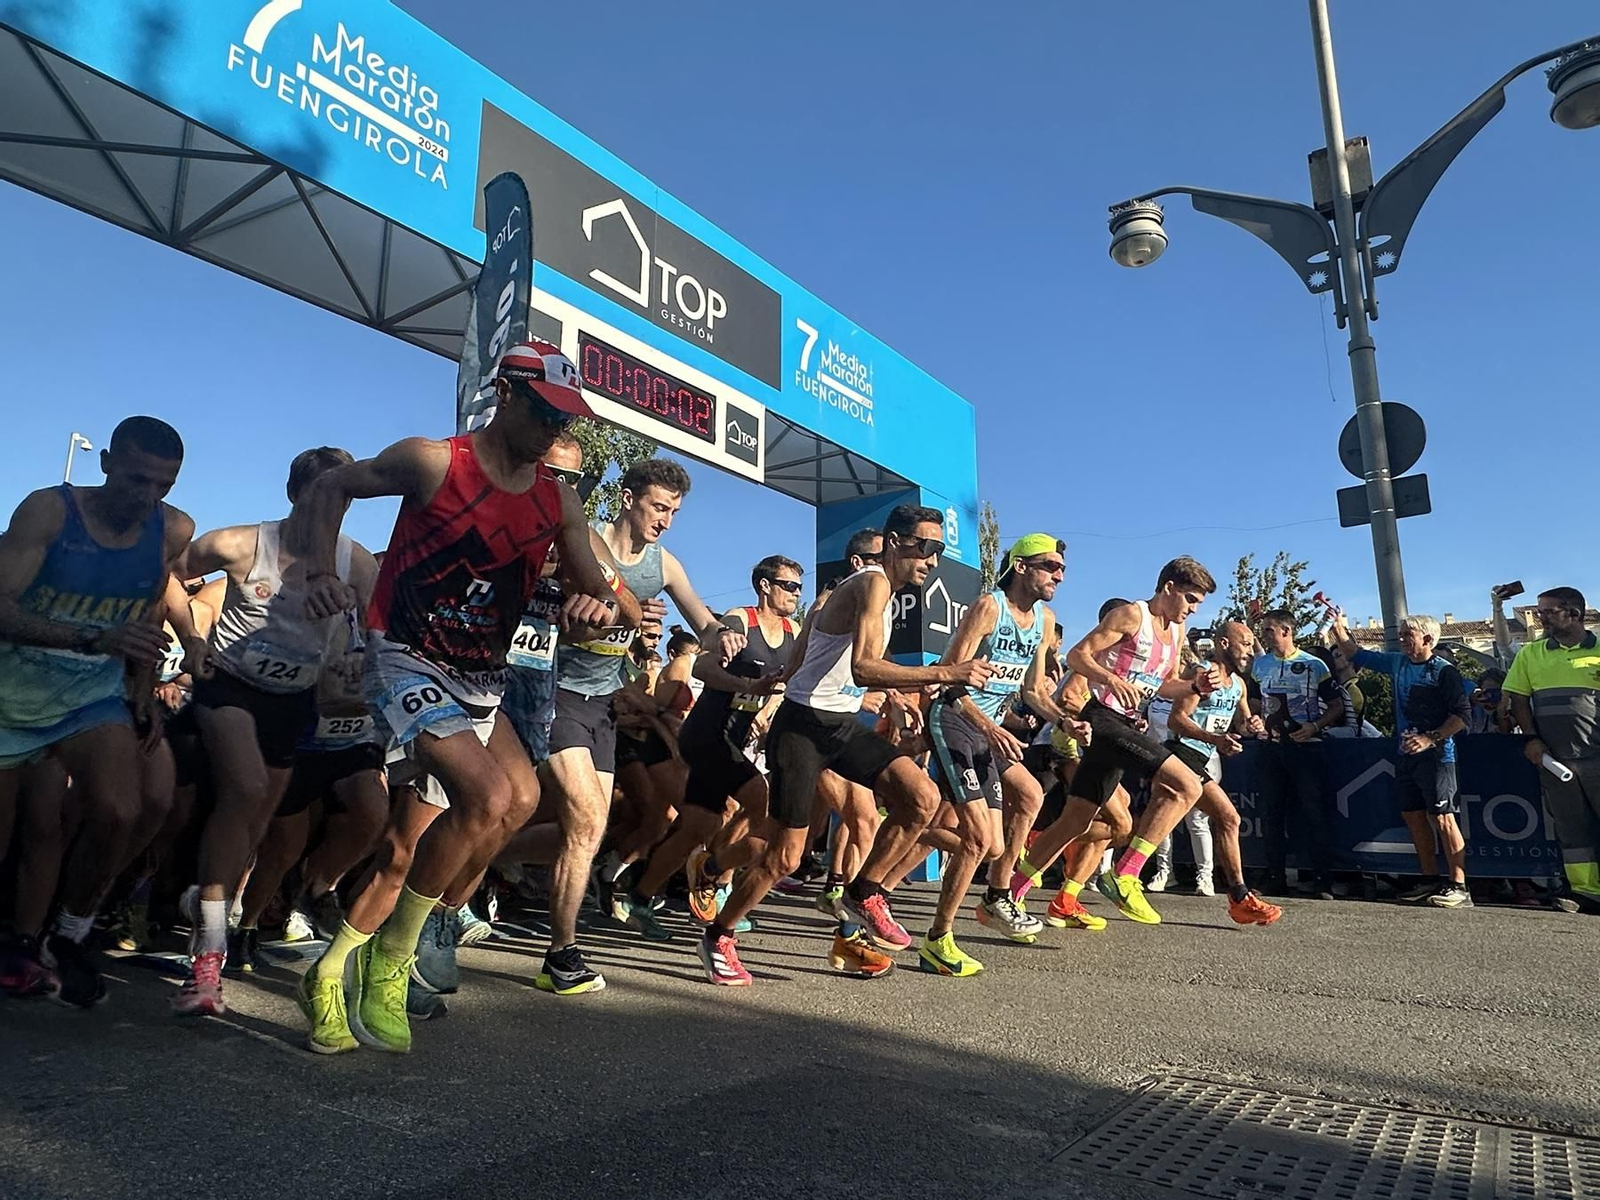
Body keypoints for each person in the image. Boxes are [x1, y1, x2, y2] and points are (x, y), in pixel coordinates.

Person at [294, 340, 632, 1055]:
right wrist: (320, 569)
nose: (553, 433)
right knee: (483, 797)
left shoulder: (555, 497)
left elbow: (590, 586)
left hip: (479, 676)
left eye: (565, 421)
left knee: (520, 800)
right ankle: (391, 961)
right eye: (544, 414)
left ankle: (333, 969)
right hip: (403, 654)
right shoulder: (432, 460)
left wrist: (593, 606)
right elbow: (332, 487)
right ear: (505, 395)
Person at [698, 505, 994, 985]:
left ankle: (863, 890)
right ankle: (719, 934)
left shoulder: (854, 595)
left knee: (921, 798)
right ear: (896, 542)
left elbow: (811, 650)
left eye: (939, 551)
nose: (933, 560)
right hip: (802, 730)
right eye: (926, 547)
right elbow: (863, 667)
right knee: (785, 857)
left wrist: (789, 676)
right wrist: (948, 672)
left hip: (839, 725)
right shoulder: (874, 582)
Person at [0, 416, 193, 1006]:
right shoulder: (48, 513)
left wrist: (142, 681)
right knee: (26, 832)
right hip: (11, 692)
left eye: (162, 484)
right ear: (105, 462)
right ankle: (20, 941)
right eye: (135, 479)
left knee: (119, 810)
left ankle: (72, 932)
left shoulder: (172, 528)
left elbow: (145, 604)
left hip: (90, 694)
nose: (147, 496)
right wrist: (91, 640)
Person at [540, 458, 741, 993]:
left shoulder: (664, 564)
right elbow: (540, 608)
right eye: (658, 507)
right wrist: (573, 613)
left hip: (604, 706)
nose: (666, 520)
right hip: (556, 693)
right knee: (585, 823)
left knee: (582, 828)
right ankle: (561, 955)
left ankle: (481, 859)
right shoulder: (583, 542)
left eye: (675, 511)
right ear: (628, 499)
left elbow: (704, 618)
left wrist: (727, 636)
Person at [1010, 558, 1218, 927]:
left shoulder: (1176, 633)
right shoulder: (1130, 616)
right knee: (1184, 785)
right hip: (1100, 718)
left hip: (1127, 724)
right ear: (1168, 587)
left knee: (1074, 821)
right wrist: (1111, 679)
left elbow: (1163, 686)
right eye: (1190, 598)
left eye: (1198, 603)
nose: (1193, 609)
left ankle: (1010, 894)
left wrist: (1195, 686)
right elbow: (1077, 655)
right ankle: (1126, 876)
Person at [622, 556, 800, 942]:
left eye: (799, 588)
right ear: (765, 586)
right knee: (760, 800)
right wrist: (746, 687)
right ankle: (714, 874)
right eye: (788, 586)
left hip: (734, 739)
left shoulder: (792, 631)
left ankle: (639, 897)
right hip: (705, 734)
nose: (795, 595)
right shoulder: (741, 620)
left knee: (697, 827)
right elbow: (701, 669)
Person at [920, 534, 1067, 970]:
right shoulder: (990, 606)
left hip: (990, 729)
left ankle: (997, 896)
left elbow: (1033, 689)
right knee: (979, 839)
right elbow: (950, 677)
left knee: (1029, 798)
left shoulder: (1044, 618)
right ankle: (937, 939)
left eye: (1062, 569)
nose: (1058, 575)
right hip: (954, 718)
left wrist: (1063, 720)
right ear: (1020, 567)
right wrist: (989, 725)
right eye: (1049, 566)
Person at [1330, 612, 1471, 907]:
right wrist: (1338, 626)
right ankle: (1429, 878)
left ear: (1428, 639)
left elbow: (1461, 716)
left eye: (1409, 635)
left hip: (1438, 757)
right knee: (1413, 816)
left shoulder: (1444, 671)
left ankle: (1459, 886)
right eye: (1402, 634)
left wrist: (1430, 738)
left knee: (1443, 818)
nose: (1403, 640)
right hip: (1405, 755)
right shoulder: (1398, 662)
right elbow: (1356, 653)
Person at [1151, 621, 1284, 925]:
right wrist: (1215, 740)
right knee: (1228, 818)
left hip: (1203, 759)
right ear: (1224, 644)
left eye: (1252, 644)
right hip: (1181, 756)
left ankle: (1071, 857)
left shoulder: (1238, 684)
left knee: (1133, 827)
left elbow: (1242, 722)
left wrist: (1252, 726)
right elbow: (1176, 720)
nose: (1250, 651)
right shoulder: (1202, 674)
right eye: (1246, 643)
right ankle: (1239, 897)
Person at [1502, 587, 1600, 912]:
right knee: (1572, 828)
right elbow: (1517, 698)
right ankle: (1587, 892)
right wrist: (1531, 738)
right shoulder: (1531, 653)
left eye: (1547, 612)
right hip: (1555, 760)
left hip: (1596, 756)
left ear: (1573, 613)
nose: (1540, 618)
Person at [1251, 609, 1345, 896]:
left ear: (1286, 631)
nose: (1265, 635)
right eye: (1263, 630)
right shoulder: (1260, 665)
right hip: (1271, 746)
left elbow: (1337, 705)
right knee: (1271, 813)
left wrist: (1314, 727)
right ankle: (1275, 875)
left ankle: (1321, 878)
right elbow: (1253, 703)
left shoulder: (1314, 665)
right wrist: (1252, 720)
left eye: (1269, 630)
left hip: (1306, 747)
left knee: (1313, 812)